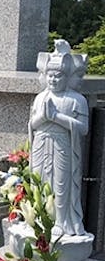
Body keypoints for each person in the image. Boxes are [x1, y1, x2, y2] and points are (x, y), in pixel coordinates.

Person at [29, 40, 89, 237]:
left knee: (61, 186)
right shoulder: (40, 98)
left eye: (58, 76)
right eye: (50, 76)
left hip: (63, 145)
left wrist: (57, 118)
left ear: (67, 77)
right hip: (40, 143)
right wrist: (43, 117)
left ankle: (61, 222)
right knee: (40, 183)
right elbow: (32, 125)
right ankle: (38, 218)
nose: (53, 80)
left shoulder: (76, 99)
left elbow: (83, 129)